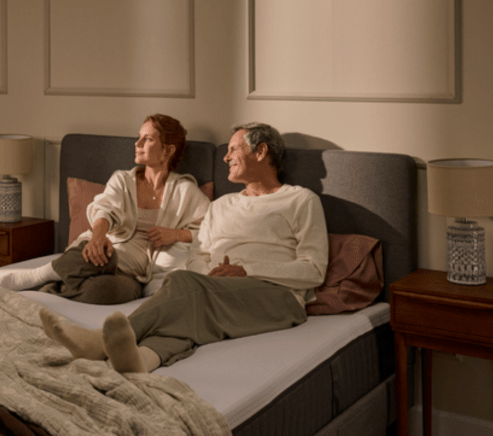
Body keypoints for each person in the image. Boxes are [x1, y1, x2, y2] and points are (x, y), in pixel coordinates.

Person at [40, 122, 329, 373]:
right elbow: (198, 255)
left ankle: (100, 340)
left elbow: (314, 270)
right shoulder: (220, 206)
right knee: (191, 312)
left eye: (233, 149)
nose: (226, 157)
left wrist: (245, 271)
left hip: (278, 298)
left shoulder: (300, 201)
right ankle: (143, 360)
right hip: (219, 290)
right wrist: (208, 279)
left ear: (261, 151)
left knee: (182, 283)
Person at [0, 114, 211, 304]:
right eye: (138, 137)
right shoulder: (122, 180)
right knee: (104, 256)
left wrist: (177, 234)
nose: (137, 144)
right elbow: (104, 208)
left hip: (135, 275)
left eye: (147, 139)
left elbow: (212, 229)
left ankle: (49, 287)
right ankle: (33, 277)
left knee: (102, 292)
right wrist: (99, 236)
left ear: (168, 151)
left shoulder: (185, 192)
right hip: (104, 251)